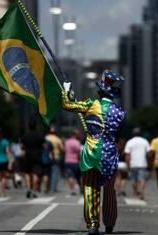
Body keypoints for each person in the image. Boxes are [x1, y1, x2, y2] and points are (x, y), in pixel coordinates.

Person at [62, 70, 126, 235]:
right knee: (110, 190)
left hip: (91, 153)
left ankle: (93, 224)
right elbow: (117, 137)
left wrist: (66, 91)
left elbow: (67, 105)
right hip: (110, 154)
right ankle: (110, 223)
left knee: (91, 188)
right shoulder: (120, 113)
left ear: (100, 91)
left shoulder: (91, 104)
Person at [124, 127, 150, 200]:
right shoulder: (145, 141)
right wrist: (149, 162)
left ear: (133, 134)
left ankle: (135, 193)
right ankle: (141, 191)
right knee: (142, 179)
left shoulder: (130, 142)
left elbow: (127, 155)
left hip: (133, 164)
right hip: (142, 163)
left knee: (133, 179)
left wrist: (127, 165)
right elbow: (149, 153)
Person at [21, 120, 45, 198]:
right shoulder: (39, 135)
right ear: (36, 126)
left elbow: (22, 147)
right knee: (36, 174)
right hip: (37, 156)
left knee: (27, 173)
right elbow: (44, 146)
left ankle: (29, 188)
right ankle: (34, 190)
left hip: (28, 156)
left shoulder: (25, 135)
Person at [45, 126, 64, 193]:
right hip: (56, 157)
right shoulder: (57, 139)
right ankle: (52, 189)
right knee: (55, 173)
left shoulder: (45, 138)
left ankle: (47, 187)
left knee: (47, 173)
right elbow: (62, 149)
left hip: (46, 158)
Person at [64, 129, 82, 196]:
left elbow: (64, 150)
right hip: (75, 161)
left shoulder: (67, 142)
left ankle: (72, 190)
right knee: (78, 176)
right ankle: (81, 189)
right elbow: (79, 152)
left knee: (70, 176)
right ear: (75, 135)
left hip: (68, 161)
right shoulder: (77, 142)